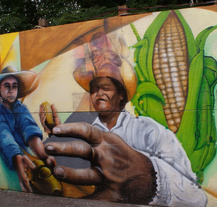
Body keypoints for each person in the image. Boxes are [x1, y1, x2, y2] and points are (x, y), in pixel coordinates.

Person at [40, 60, 207, 206]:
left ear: (121, 95)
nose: (99, 94)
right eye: (94, 90)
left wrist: (148, 179)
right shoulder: (87, 131)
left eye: (106, 88)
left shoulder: (148, 130)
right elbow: (64, 169)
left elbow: (196, 197)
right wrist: (53, 133)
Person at [0, 66, 56, 193]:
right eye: (7, 86)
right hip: (9, 168)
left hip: (31, 161)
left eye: (14, 86)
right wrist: (16, 156)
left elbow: (29, 128)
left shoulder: (20, 108)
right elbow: (2, 132)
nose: (11, 90)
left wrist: (43, 155)